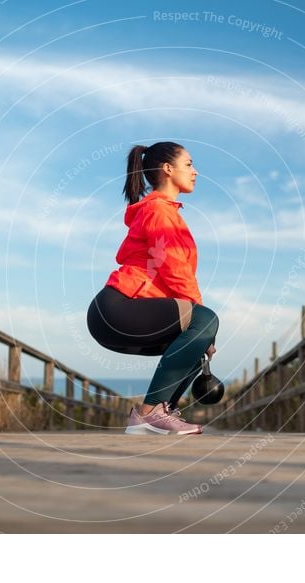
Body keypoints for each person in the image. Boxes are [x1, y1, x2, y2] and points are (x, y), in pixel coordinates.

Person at [86, 141, 219, 435]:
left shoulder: (165, 211)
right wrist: (202, 322)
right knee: (206, 319)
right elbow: (173, 266)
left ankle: (158, 415)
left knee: (198, 345)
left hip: (121, 312)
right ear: (168, 169)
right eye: (189, 164)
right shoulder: (159, 210)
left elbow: (168, 276)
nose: (195, 172)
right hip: (118, 308)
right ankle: (150, 411)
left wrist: (201, 334)